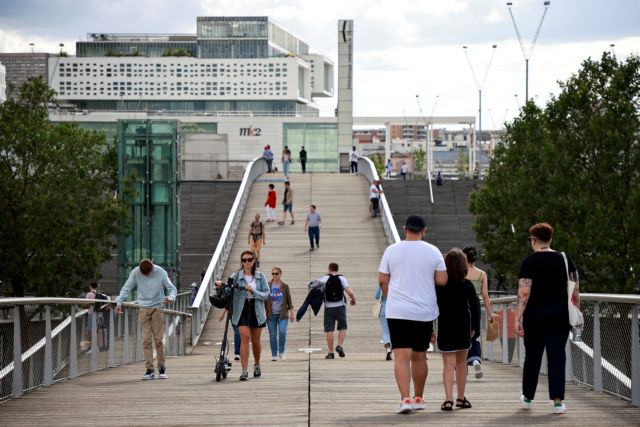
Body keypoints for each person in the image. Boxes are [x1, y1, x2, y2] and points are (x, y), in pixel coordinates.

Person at [378, 214, 448, 414]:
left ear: (404, 229)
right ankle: (419, 397)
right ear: (424, 231)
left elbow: (383, 280)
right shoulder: (433, 251)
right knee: (419, 356)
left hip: (398, 310)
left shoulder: (392, 250)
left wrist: (391, 297)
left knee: (401, 356)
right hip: (424, 311)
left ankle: (405, 399)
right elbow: (442, 280)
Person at [517, 223, 578, 414]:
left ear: (534, 241)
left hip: (534, 317)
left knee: (532, 357)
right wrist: (576, 313)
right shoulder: (565, 258)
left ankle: (527, 398)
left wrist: (518, 318)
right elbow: (575, 290)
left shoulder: (528, 262)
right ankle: (558, 402)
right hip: (560, 316)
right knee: (556, 356)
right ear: (550, 239)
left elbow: (524, 294)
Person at [116, 259, 177, 380]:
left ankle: (162, 368)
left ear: (152, 269)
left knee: (158, 340)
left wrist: (171, 298)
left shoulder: (161, 272)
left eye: (148, 273)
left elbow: (172, 288)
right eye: (144, 274)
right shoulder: (136, 272)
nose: (146, 276)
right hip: (143, 308)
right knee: (146, 340)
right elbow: (126, 287)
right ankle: (149, 370)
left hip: (157, 308)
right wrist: (119, 302)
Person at [435, 248, 480, 412]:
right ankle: (461, 398)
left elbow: (433, 306)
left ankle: (448, 400)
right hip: (463, 326)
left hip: (445, 325)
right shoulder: (467, 285)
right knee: (462, 364)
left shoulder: (439, 286)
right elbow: (475, 307)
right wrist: (474, 327)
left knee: (448, 364)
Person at [216, 250, 270, 381]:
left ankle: (257, 364)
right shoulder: (235, 276)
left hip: (256, 309)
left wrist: (254, 291)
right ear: (241, 262)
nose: (247, 262)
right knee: (245, 339)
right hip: (242, 309)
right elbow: (229, 291)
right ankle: (244, 370)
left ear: (254, 261)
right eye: (244, 260)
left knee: (256, 341)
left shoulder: (260, 276)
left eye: (249, 259)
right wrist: (220, 286)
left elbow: (266, 294)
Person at [463, 246, 495, 379]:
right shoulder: (482, 274)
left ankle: (461, 370)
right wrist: (490, 313)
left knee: (460, 339)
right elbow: (485, 295)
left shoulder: (460, 272)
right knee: (473, 337)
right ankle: (475, 360)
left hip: (462, 305)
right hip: (475, 305)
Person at [316, 262, 356, 359]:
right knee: (342, 326)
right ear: (337, 269)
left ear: (329, 269)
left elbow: (316, 290)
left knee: (329, 329)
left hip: (328, 307)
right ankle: (340, 346)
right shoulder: (341, 278)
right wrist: (353, 299)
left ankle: (330, 353)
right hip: (340, 306)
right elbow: (349, 292)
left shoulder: (324, 278)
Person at [266, 267, 295, 361]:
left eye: (276, 274)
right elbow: (263, 300)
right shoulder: (268, 285)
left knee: (282, 332)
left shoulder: (285, 286)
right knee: (272, 335)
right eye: (273, 274)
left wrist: (292, 313)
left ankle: (281, 352)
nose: (274, 275)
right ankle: (274, 354)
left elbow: (289, 301)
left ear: (280, 274)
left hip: (282, 314)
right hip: (271, 314)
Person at [374, 287, 392, 361]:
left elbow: (377, 296)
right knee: (393, 330)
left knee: (385, 331)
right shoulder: (397, 283)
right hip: (395, 310)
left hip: (384, 309)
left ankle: (388, 348)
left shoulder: (382, 284)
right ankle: (392, 349)